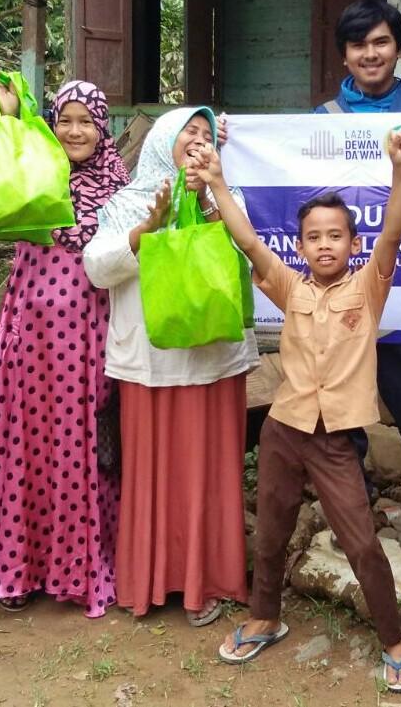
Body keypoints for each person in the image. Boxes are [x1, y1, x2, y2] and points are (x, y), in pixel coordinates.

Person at [211, 130, 401, 693]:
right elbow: (247, 240)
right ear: (301, 246)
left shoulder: (368, 287)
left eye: (335, 236)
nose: (325, 244)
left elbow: (395, 230)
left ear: (353, 243)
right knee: (272, 531)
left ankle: (394, 639)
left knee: (360, 542)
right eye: (313, 237)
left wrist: (400, 174)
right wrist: (214, 180)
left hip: (334, 440)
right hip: (284, 429)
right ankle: (265, 617)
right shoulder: (289, 288)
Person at [83, 107, 258, 626]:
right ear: (165, 141)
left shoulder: (229, 197)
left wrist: (210, 206)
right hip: (152, 362)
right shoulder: (127, 202)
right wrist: (146, 231)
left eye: (208, 136)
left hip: (214, 360)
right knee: (155, 472)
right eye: (191, 133)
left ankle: (210, 579)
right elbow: (97, 269)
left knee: (209, 470)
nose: (200, 142)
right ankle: (153, 580)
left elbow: (247, 260)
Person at [0, 80, 130, 616]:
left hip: (90, 337)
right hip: (30, 338)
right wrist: (9, 119)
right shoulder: (36, 171)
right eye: (65, 121)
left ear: (102, 126)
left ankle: (82, 566)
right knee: (28, 440)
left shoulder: (119, 186)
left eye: (86, 121)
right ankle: (18, 567)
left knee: (85, 441)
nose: (75, 131)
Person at [315, 0, 401, 514]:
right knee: (339, 402)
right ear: (344, 55)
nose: (370, 54)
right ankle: (350, 502)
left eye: (381, 42)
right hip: (341, 289)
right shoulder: (320, 120)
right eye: (358, 44)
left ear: (398, 49)